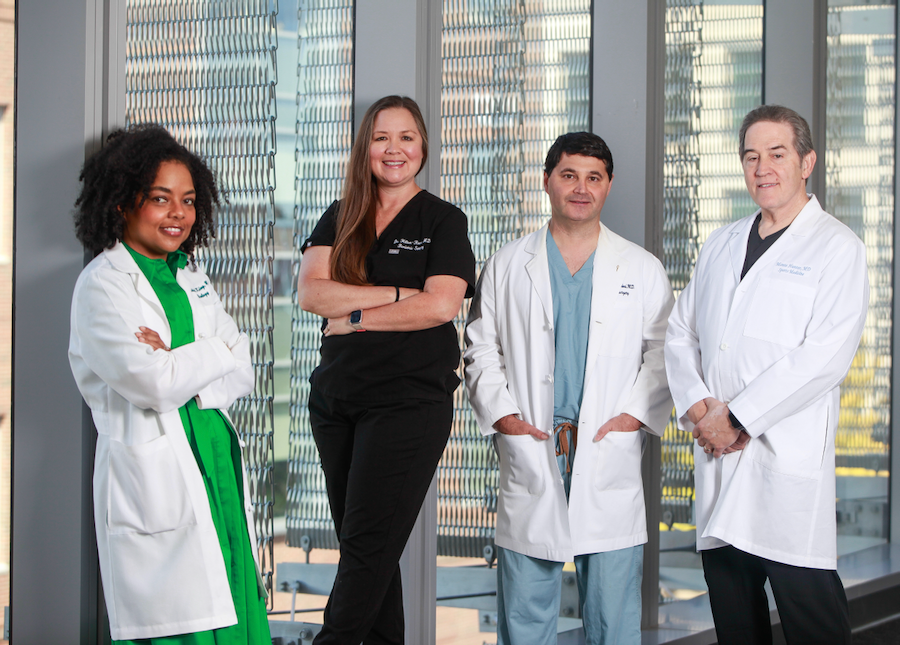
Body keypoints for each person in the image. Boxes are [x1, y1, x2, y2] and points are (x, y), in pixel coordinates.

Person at [665, 105, 869, 644]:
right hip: (716, 451)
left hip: (782, 460)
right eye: (751, 156)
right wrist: (700, 409)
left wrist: (736, 418)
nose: (763, 168)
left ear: (807, 162)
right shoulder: (721, 244)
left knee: (813, 621)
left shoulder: (837, 248)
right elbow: (681, 331)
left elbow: (824, 357)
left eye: (777, 154)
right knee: (735, 624)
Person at [464, 132, 674, 645]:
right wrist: (506, 420)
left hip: (606, 447)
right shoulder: (507, 264)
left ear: (608, 185)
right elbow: (478, 350)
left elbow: (666, 354)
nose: (581, 188)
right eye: (569, 175)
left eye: (593, 177)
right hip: (534, 444)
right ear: (547, 181)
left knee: (613, 617)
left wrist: (631, 418)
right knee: (526, 615)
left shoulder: (641, 268)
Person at [68, 124, 270, 644]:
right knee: (181, 627)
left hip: (215, 467)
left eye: (187, 200)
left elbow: (243, 367)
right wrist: (212, 353)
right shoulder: (103, 286)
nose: (178, 214)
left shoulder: (189, 273)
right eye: (160, 199)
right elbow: (154, 386)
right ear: (121, 204)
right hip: (156, 478)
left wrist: (187, 361)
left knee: (233, 612)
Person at [297, 95, 476, 645]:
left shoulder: (443, 219)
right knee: (365, 547)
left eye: (406, 137)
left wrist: (354, 315)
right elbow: (310, 292)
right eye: (381, 138)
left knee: (369, 546)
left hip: (408, 403)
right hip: (336, 401)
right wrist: (396, 295)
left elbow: (442, 305)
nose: (393, 149)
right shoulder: (341, 213)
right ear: (365, 148)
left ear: (423, 146)